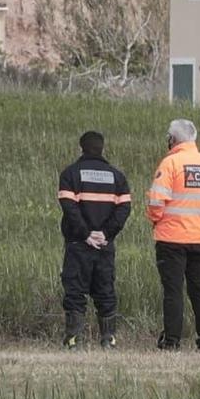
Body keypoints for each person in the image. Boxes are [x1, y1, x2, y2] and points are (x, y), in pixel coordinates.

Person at [146, 118, 200, 350]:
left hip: (171, 238)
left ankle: (171, 341)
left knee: (173, 291)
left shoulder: (170, 163)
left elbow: (156, 201)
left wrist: (157, 221)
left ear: (172, 139)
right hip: (199, 237)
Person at [56, 130, 132, 348]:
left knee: (75, 291)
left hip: (78, 244)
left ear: (80, 148)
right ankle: (109, 340)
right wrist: (106, 234)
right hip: (105, 246)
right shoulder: (117, 176)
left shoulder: (70, 174)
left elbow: (69, 208)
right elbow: (124, 208)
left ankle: (73, 341)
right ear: (102, 149)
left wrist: (85, 234)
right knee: (106, 291)